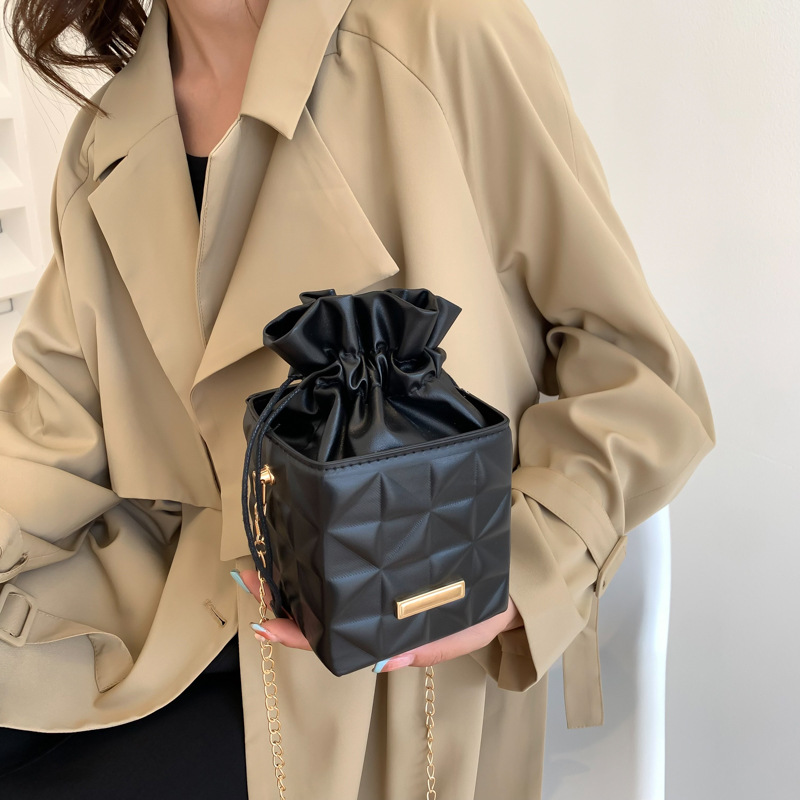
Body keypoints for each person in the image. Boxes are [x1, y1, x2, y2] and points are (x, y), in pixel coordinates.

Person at [0, 0, 715, 797]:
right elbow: (46, 433)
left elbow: (638, 376)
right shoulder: (105, 141)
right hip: (170, 619)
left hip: (389, 655)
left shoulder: (442, 35)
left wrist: (522, 563)